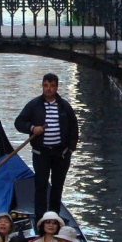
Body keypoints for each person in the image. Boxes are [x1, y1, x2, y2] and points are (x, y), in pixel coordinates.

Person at [15, 73, 79, 220]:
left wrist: (70, 149)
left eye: (52, 86)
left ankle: (54, 215)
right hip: (41, 153)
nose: (49, 89)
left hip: (61, 154)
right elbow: (19, 122)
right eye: (46, 85)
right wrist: (32, 128)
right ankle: (40, 217)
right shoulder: (34, 105)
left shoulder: (65, 106)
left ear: (56, 87)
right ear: (42, 86)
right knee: (41, 185)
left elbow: (74, 128)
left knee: (57, 185)